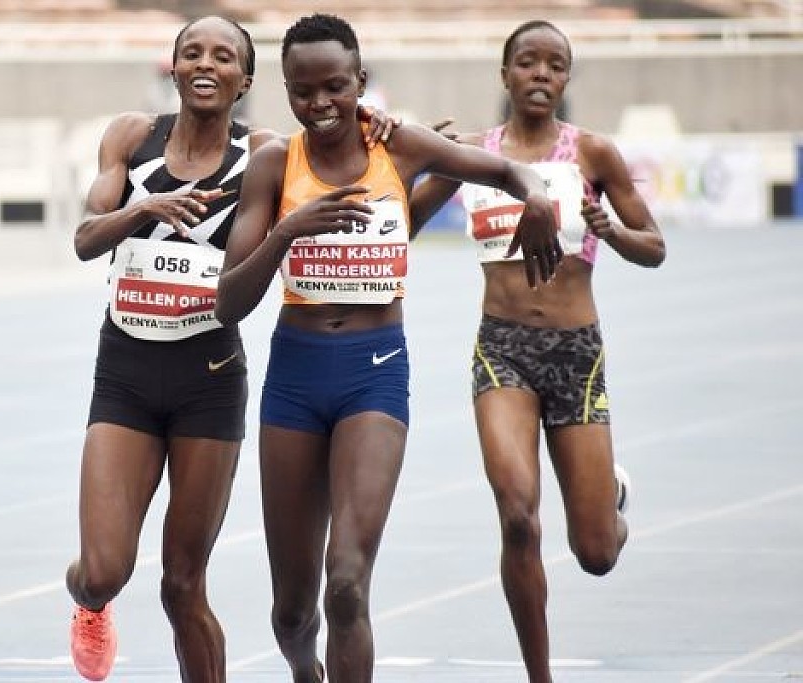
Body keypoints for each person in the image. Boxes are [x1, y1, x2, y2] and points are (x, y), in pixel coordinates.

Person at [215, 13, 563, 683]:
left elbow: (508, 169)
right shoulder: (274, 165)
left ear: (361, 81)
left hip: (374, 373)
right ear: (285, 90)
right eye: (302, 91)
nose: (321, 103)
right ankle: (304, 670)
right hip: (295, 378)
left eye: (335, 87)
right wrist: (287, 231)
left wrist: (538, 198)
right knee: (292, 613)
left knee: (347, 581)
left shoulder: (398, 147)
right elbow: (228, 303)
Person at [63, 15, 398, 683]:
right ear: (175, 67)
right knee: (102, 569)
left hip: (208, 378)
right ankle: (89, 604)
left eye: (223, 56)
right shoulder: (130, 137)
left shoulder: (265, 153)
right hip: (126, 371)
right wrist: (143, 210)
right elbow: (85, 238)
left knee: (182, 583)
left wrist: (375, 122)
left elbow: (335, 137)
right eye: (192, 52)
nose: (205, 64)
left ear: (244, 79)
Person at [413, 19, 666, 683]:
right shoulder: (476, 154)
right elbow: (401, 223)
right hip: (502, 352)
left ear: (566, 78)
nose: (541, 74)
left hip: (576, 356)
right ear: (505, 74)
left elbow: (655, 247)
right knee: (519, 519)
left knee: (596, 553)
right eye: (528, 62)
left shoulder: (594, 155)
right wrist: (416, 156)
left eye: (555, 65)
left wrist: (612, 231)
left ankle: (610, 497)